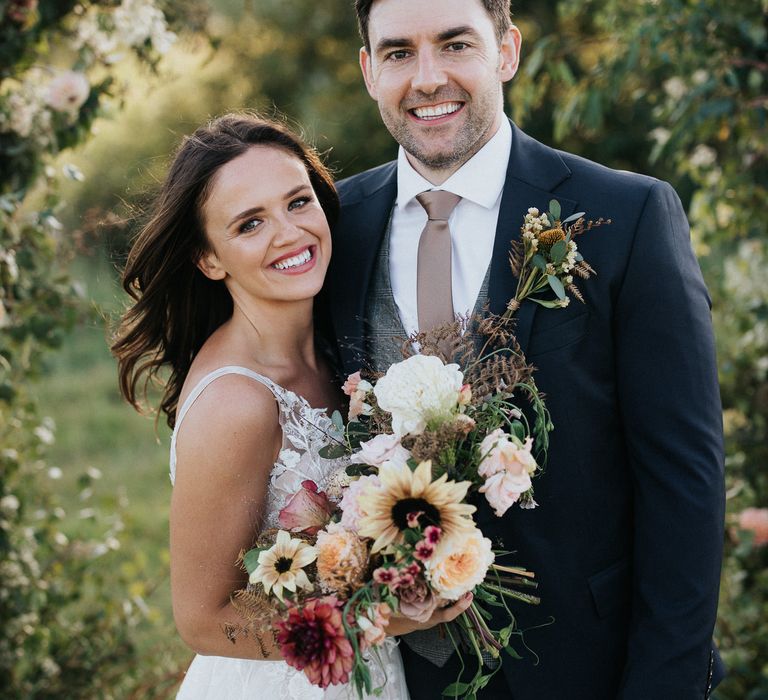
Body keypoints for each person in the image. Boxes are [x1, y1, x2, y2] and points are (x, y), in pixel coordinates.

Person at [322, 1, 726, 698]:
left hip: (585, 665)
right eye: (397, 53)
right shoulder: (331, 229)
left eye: (455, 45)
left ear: (506, 52)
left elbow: (684, 483)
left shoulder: (625, 217)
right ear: (367, 70)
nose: (427, 78)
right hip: (390, 673)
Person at [111, 113, 471, 700]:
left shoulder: (335, 354)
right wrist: (374, 620)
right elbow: (202, 619)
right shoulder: (238, 402)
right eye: (251, 223)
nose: (289, 232)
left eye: (298, 202)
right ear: (210, 259)